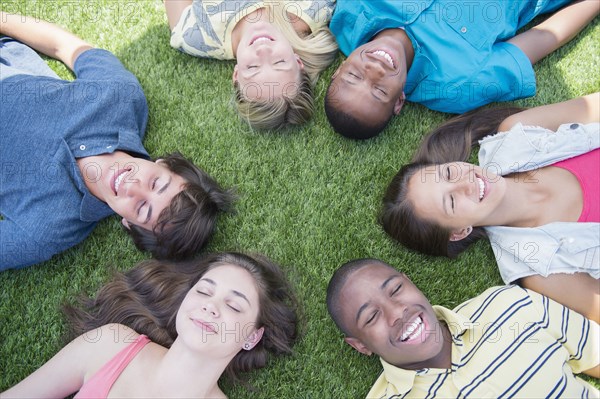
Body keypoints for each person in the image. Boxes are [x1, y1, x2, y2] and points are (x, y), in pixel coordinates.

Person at [0, 12, 233, 270]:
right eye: (157, 183)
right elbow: (65, 46)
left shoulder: (47, 230)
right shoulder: (121, 98)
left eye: (143, 209)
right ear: (165, 164)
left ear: (129, 224)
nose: (133, 186)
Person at [380, 93, 600, 322]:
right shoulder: (543, 272)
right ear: (459, 231)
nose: (465, 182)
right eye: (452, 202)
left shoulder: (517, 131)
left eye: (448, 173)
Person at [2, 251, 298, 398]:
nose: (211, 306)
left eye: (234, 305)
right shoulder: (111, 345)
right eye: (204, 291)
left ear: (252, 337)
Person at [324, 0, 600, 139]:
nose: (375, 70)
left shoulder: (350, 13)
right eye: (380, 91)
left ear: (338, 69)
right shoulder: (459, 86)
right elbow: (544, 36)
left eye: (354, 76)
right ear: (399, 101)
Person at [326, 258, 600, 398]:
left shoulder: (509, 307)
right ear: (360, 345)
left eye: (396, 289)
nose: (397, 312)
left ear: (409, 282)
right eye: (372, 317)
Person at [165, 0, 338, 130]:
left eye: (253, 67)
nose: (263, 51)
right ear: (297, 61)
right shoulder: (314, 9)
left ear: (236, 74)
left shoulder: (197, 37)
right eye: (279, 62)